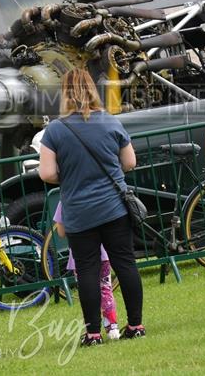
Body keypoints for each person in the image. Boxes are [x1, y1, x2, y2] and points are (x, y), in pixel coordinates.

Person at [38, 69, 143, 345]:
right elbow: (130, 162)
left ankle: (93, 333)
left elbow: (47, 173)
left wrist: (70, 174)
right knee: (125, 263)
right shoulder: (110, 121)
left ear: (65, 94)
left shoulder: (55, 131)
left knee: (86, 270)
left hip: (79, 211)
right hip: (114, 207)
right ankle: (136, 325)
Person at [53, 202, 119, 340]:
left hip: (80, 252)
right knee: (106, 287)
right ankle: (112, 326)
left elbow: (61, 231)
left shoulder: (66, 198)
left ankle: (92, 331)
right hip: (103, 251)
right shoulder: (98, 193)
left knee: (87, 289)